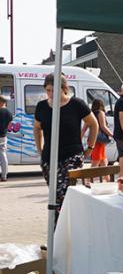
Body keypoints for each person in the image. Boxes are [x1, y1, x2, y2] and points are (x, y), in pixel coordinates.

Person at [33, 74, 98, 219]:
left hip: (72, 155)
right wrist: (40, 148)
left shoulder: (76, 104)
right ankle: (62, 230)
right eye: (48, 90)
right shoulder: (42, 106)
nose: (51, 94)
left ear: (64, 89)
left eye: (54, 90)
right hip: (49, 157)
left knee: (60, 195)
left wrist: (90, 146)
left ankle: (58, 233)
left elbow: (93, 124)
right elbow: (37, 128)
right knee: (54, 195)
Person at [83, 98, 114, 168]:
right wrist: (112, 135)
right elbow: (103, 126)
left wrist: (80, 138)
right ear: (101, 105)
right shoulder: (101, 113)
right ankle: (88, 178)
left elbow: (84, 129)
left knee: (103, 161)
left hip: (91, 139)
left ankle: (108, 179)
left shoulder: (90, 114)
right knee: (96, 162)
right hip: (99, 141)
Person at [0, 95, 12, 182]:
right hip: (3, 136)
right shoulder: (9, 112)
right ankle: (4, 176)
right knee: (3, 155)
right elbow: (9, 125)